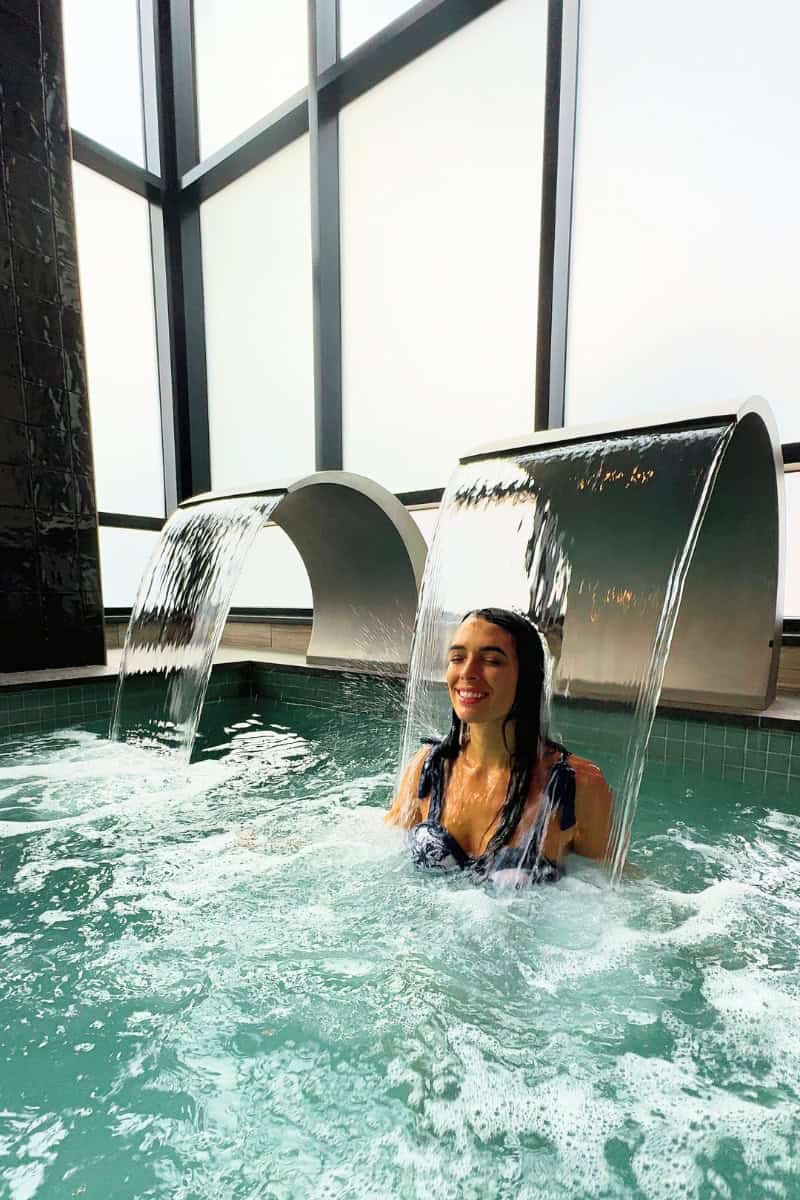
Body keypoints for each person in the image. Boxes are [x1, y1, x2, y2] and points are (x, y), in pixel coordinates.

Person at [387, 607, 614, 886]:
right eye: (457, 658)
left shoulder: (577, 785)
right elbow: (385, 859)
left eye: (492, 661)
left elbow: (608, 888)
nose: (467, 672)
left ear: (527, 677)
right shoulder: (428, 768)